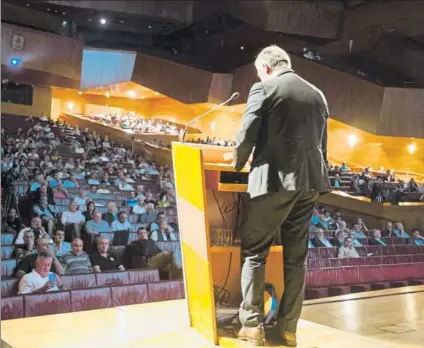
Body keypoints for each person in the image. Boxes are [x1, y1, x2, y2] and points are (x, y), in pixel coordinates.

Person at [232, 45, 330, 347]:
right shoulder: (318, 95)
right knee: (296, 260)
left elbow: (248, 131)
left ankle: (251, 325)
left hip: (275, 181)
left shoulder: (265, 88)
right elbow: (322, 145)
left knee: (254, 250)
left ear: (266, 68)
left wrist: (236, 161)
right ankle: (288, 329)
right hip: (310, 182)